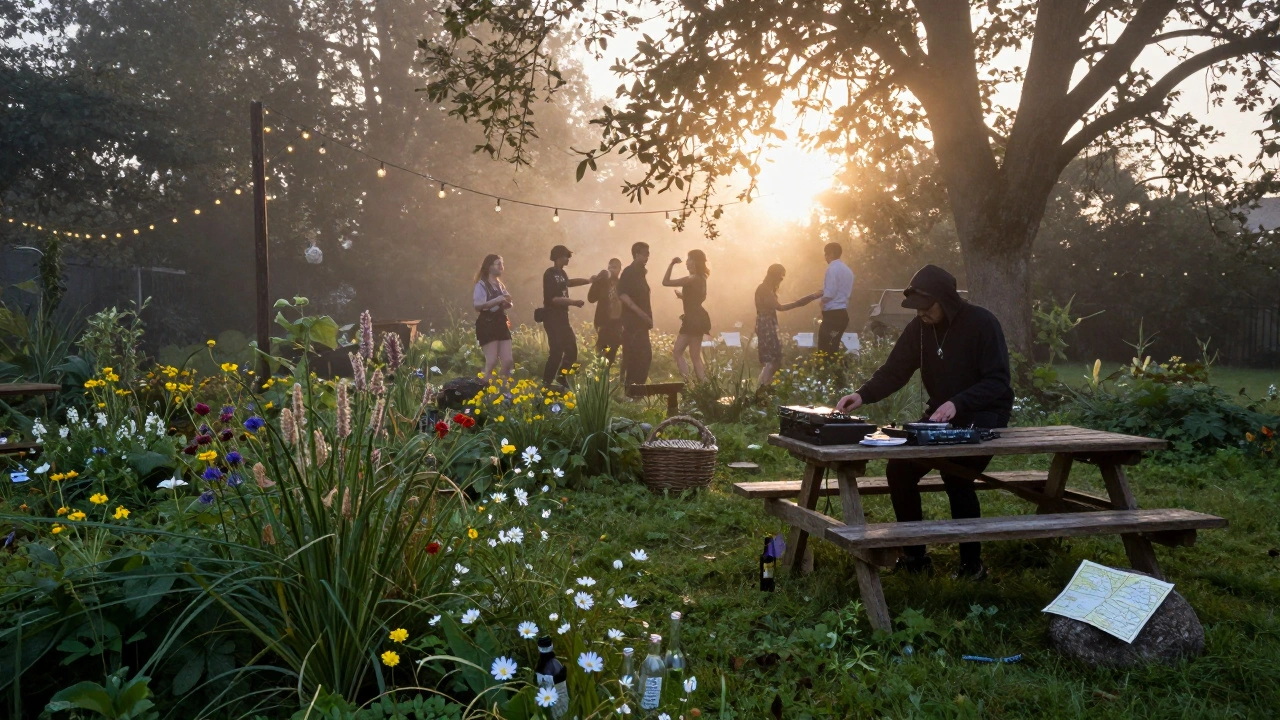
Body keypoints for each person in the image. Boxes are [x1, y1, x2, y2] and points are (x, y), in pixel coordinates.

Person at [835, 264, 1014, 580]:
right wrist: (861, 395)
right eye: (915, 308)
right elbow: (895, 371)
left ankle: (972, 566)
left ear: (946, 300)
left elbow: (998, 381)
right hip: (939, 417)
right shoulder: (919, 329)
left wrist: (958, 402)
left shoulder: (982, 323)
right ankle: (915, 556)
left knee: (956, 474)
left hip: (984, 413)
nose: (920, 314)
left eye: (926, 307)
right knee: (900, 468)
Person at [754, 264, 822, 387]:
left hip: (767, 324)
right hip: (766, 325)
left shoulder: (767, 289)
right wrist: (806, 299)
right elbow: (779, 307)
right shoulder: (764, 289)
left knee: (774, 359)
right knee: (772, 359)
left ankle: (764, 387)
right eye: (780, 276)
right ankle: (762, 388)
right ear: (773, 276)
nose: (781, 279)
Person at [541, 245, 590, 386]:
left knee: (571, 350)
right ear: (558, 257)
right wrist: (573, 302)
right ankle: (546, 383)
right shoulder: (549, 274)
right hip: (552, 317)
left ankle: (561, 377)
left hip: (563, 318)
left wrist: (588, 280)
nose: (568, 259)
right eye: (566, 256)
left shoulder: (562, 273)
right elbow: (553, 299)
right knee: (556, 352)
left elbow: (569, 283)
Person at [662, 249, 711, 382]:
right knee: (695, 356)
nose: (687, 262)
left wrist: (671, 264)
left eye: (689, 259)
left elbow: (665, 282)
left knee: (677, 352)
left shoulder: (691, 278)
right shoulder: (702, 278)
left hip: (692, 320)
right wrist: (684, 297)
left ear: (695, 262)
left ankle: (688, 383)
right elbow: (698, 299)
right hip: (699, 318)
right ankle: (705, 386)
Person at [617, 242, 653, 386]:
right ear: (636, 254)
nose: (647, 257)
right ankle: (632, 388)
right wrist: (642, 314)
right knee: (636, 355)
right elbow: (623, 296)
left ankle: (637, 387)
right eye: (644, 254)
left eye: (648, 254)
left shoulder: (641, 273)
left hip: (642, 322)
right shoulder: (628, 272)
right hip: (633, 321)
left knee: (644, 355)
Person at [472, 254, 514, 378]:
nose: (502, 267)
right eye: (498, 264)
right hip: (487, 323)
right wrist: (497, 300)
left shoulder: (500, 285)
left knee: (508, 362)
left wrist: (507, 303)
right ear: (490, 267)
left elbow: (507, 300)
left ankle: (504, 391)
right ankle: (484, 386)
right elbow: (478, 306)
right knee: (492, 362)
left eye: (502, 264)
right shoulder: (481, 285)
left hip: (501, 322)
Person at [817, 242, 855, 354]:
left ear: (831, 254)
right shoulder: (848, 270)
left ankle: (826, 371)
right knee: (833, 347)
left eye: (826, 254)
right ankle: (835, 370)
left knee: (824, 348)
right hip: (842, 314)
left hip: (832, 316)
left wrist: (821, 301)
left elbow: (830, 293)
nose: (825, 257)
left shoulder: (832, 268)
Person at [588, 258, 625, 363]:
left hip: (617, 322)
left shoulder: (622, 283)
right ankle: (600, 375)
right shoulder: (603, 282)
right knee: (602, 351)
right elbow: (591, 298)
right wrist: (597, 281)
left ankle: (606, 375)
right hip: (604, 322)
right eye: (610, 267)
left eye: (614, 267)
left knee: (613, 351)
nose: (612, 269)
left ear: (619, 269)